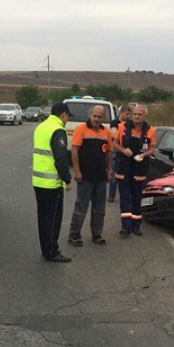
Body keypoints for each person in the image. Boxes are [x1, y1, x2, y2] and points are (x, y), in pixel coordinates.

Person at [33, 103, 74, 262]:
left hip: (38, 181)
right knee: (53, 219)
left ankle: (46, 249)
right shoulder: (58, 130)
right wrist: (67, 180)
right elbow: (61, 158)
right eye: (68, 117)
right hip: (51, 184)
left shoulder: (41, 127)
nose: (67, 120)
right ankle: (51, 251)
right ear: (63, 114)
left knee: (43, 218)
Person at [67, 105, 112, 247]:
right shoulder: (81, 129)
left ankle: (96, 234)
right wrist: (77, 171)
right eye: (94, 116)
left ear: (103, 118)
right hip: (85, 177)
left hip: (100, 177)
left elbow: (109, 153)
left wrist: (109, 170)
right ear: (90, 115)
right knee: (81, 207)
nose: (96, 119)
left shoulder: (106, 132)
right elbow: (74, 151)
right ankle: (74, 235)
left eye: (100, 117)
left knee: (99, 208)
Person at [112, 105, 156, 237]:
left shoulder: (151, 131)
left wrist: (143, 155)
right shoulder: (122, 127)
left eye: (139, 114)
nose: (136, 116)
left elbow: (152, 148)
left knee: (137, 198)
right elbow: (114, 143)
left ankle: (136, 226)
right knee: (125, 199)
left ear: (145, 117)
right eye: (135, 114)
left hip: (139, 170)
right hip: (124, 168)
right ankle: (125, 227)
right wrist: (123, 150)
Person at [107, 106, 131, 203]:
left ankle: (125, 196)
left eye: (129, 114)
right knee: (114, 175)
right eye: (126, 114)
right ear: (121, 113)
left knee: (125, 174)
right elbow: (114, 134)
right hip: (115, 150)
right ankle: (111, 195)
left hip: (126, 150)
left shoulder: (130, 124)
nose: (128, 116)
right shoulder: (115, 122)